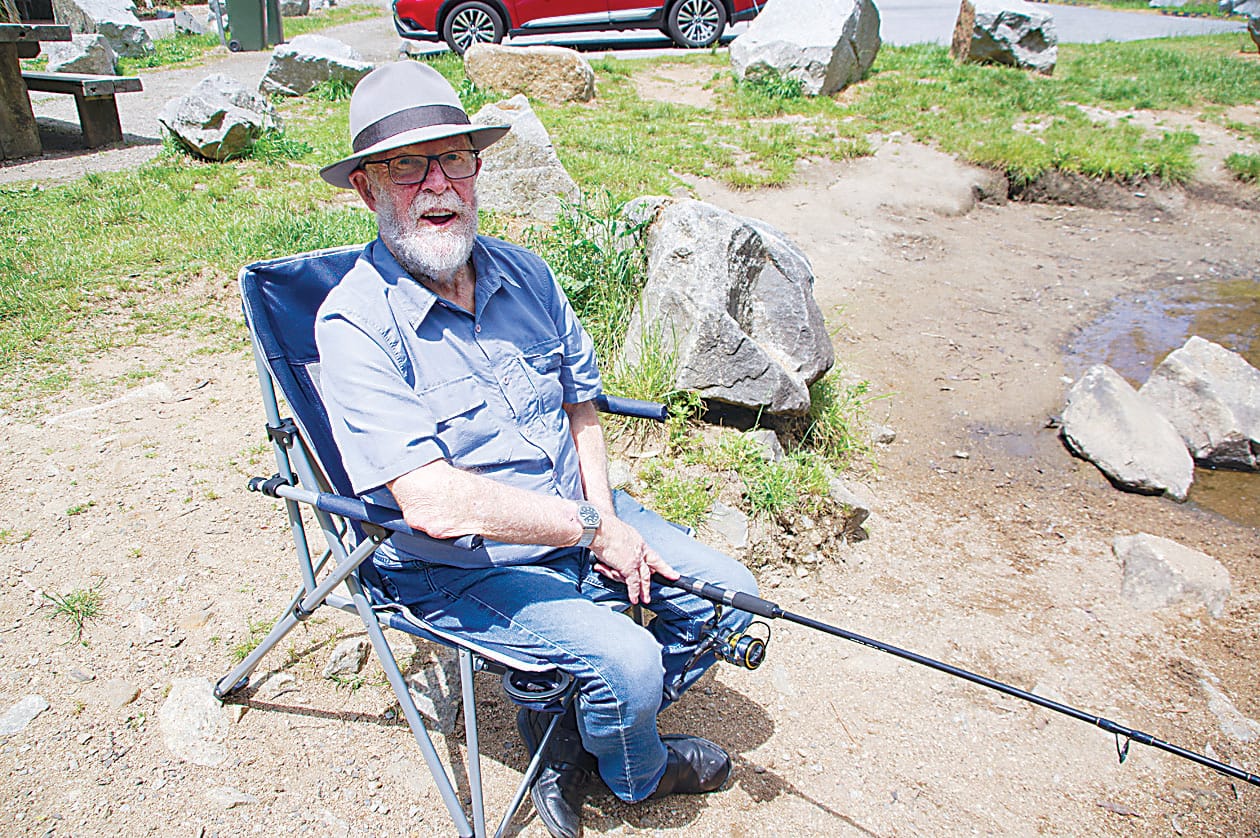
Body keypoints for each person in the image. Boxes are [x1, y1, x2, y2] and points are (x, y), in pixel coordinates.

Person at [314, 61, 758, 838]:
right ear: (367, 189)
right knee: (627, 662)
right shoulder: (352, 325)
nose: (437, 185)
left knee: (729, 596)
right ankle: (636, 770)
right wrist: (592, 534)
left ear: (477, 169)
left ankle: (572, 727)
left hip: (581, 516)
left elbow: (580, 407)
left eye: (454, 157)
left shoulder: (528, 273)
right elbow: (433, 501)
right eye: (407, 166)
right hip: (455, 568)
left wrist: (602, 517)